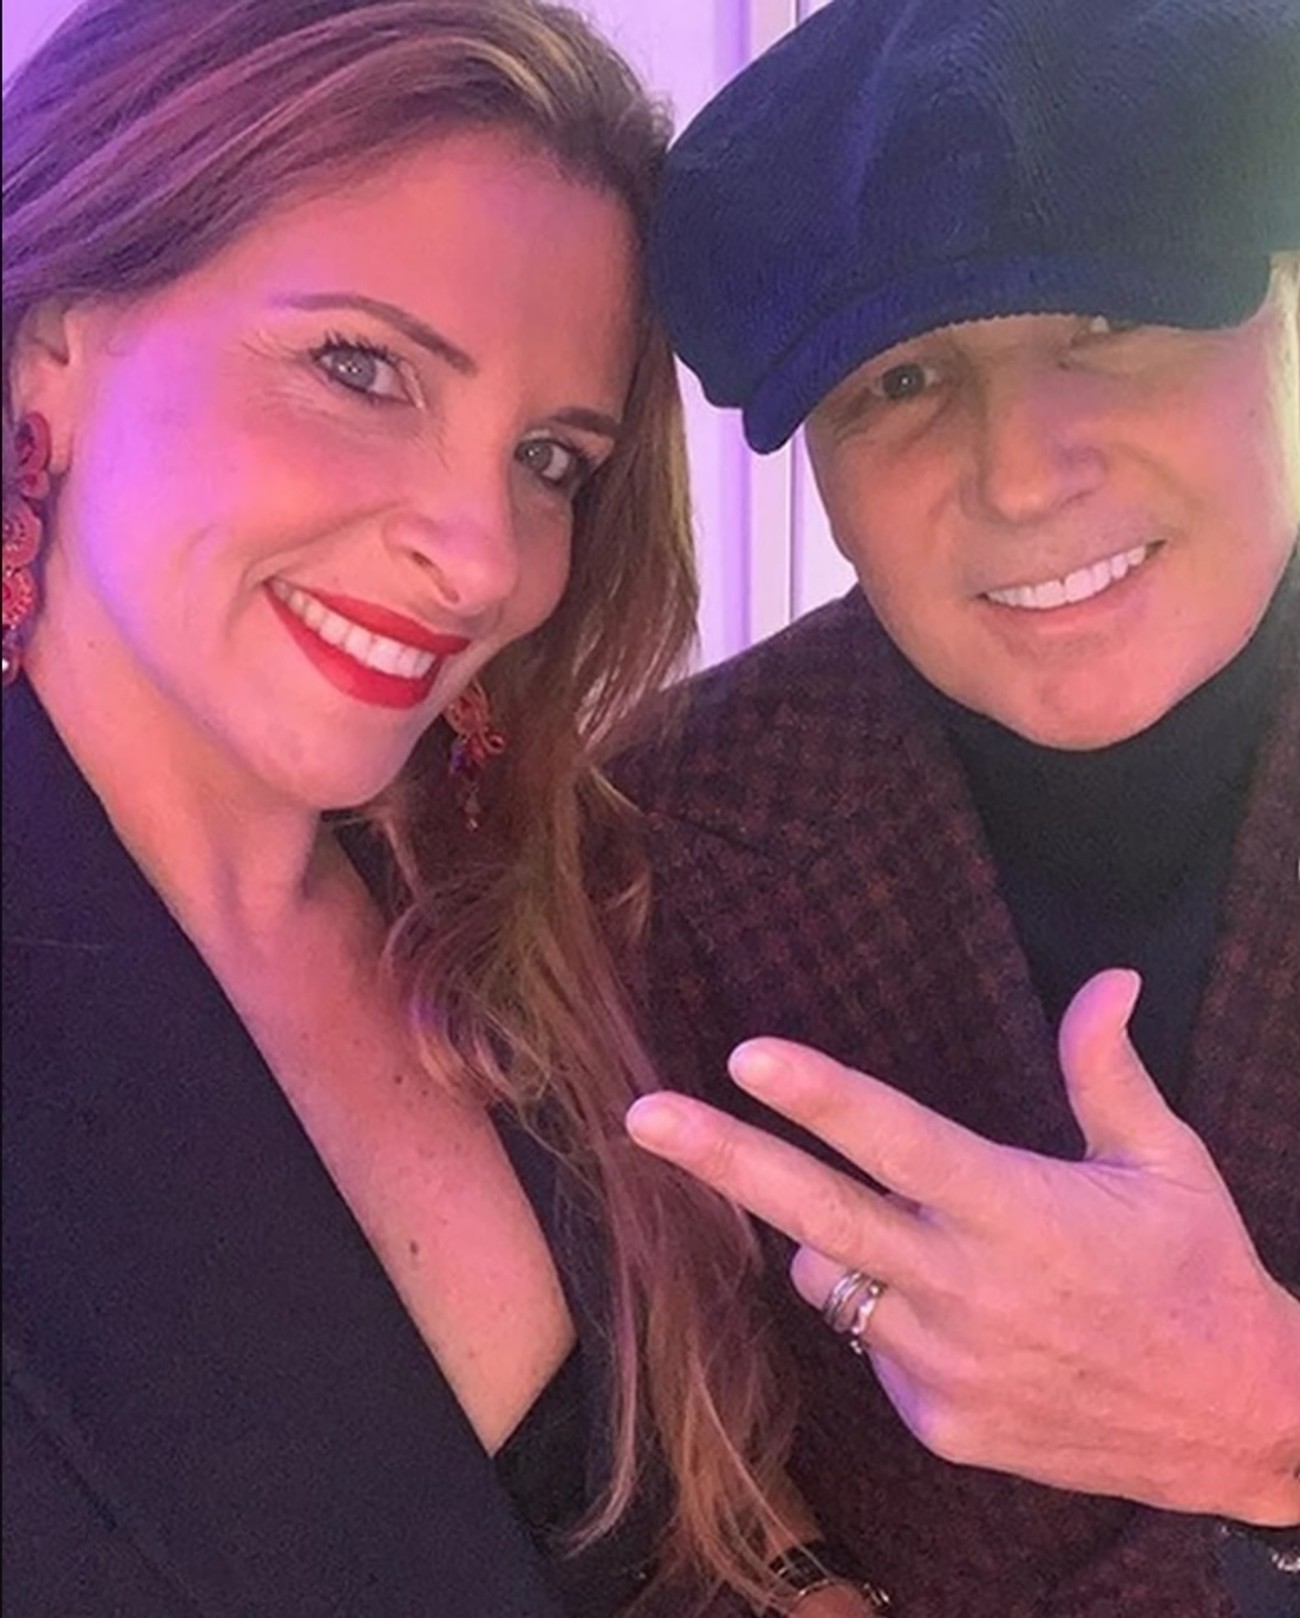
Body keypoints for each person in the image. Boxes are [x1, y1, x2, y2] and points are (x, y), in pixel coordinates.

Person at [0, 3, 889, 1614]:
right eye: (363, 368)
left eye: (551, 458)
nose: (483, 559)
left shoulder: (541, 894)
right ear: (54, 328)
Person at [614, 1, 1300, 1614]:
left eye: (1109, 319)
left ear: (1279, 320)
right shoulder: (655, 836)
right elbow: (665, 1470)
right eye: (903, 377)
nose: (1021, 472)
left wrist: (1268, 1426)